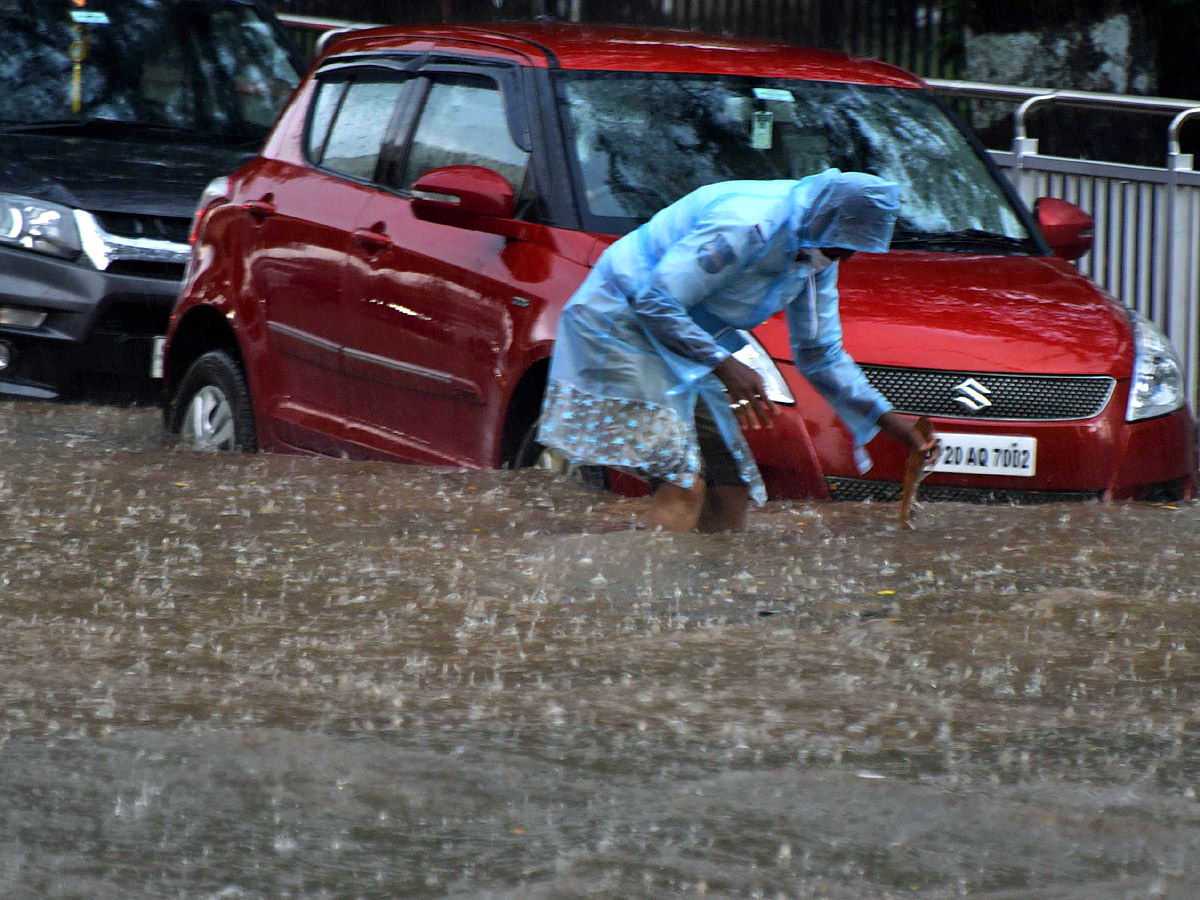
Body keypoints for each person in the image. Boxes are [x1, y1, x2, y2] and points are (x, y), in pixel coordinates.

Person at [537, 169, 938, 533]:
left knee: (731, 485)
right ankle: (643, 606)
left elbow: (819, 352)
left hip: (687, 348)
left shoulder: (816, 251)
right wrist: (725, 366)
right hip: (619, 327)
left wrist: (887, 420)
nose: (843, 259)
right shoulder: (748, 225)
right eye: (838, 250)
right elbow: (654, 301)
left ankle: (708, 599)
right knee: (685, 482)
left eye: (851, 251)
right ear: (823, 220)